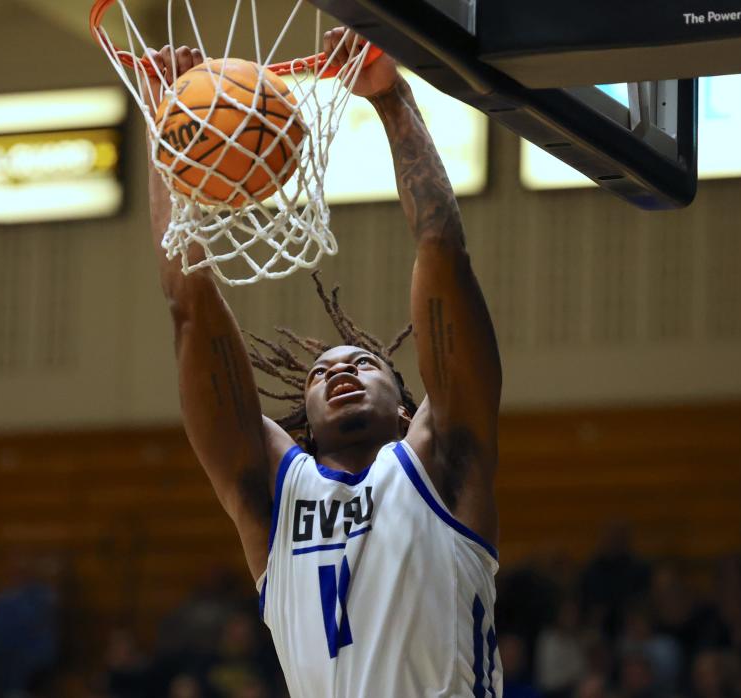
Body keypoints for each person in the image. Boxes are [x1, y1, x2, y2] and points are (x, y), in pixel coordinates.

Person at [142, 26, 502, 697]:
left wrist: (391, 98)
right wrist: (171, 141)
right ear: (302, 419)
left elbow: (442, 253)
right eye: (320, 373)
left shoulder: (446, 459)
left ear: (405, 406)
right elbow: (189, 305)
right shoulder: (271, 497)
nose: (338, 371)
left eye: (363, 365)